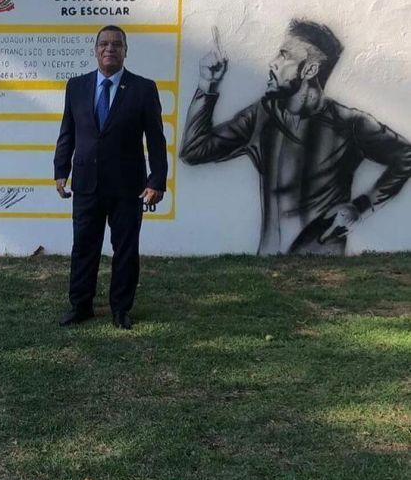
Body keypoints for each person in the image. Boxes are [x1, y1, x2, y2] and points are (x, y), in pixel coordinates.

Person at [180, 20, 411, 254]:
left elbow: (406, 156)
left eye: (284, 56)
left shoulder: (349, 123)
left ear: (309, 70)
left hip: (323, 266)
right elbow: (193, 151)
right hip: (267, 267)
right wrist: (207, 84)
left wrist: (362, 207)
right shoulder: (262, 116)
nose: (272, 62)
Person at [54, 25, 168, 329]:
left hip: (128, 186)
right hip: (87, 183)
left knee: (126, 250)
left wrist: (157, 180)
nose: (109, 49)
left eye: (116, 44)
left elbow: (156, 139)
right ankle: (81, 306)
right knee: (84, 247)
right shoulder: (76, 86)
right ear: (95, 50)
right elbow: (68, 131)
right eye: (104, 44)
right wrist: (60, 170)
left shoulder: (144, 88)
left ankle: (121, 309)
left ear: (125, 51)